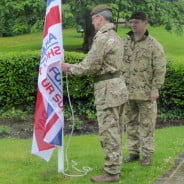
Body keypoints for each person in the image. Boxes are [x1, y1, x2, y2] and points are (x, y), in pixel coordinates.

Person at [62, 4, 128, 183]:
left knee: (109, 132)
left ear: (99, 18)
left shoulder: (103, 38)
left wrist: (69, 68)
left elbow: (90, 65)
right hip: (117, 88)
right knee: (115, 130)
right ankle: (113, 165)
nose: (92, 23)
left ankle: (112, 173)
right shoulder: (114, 36)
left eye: (93, 19)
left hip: (108, 90)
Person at [122, 11, 166, 166]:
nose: (134, 25)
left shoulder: (154, 45)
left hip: (146, 93)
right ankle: (133, 152)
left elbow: (160, 69)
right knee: (131, 124)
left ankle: (147, 154)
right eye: (132, 22)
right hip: (127, 92)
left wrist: (155, 89)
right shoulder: (125, 42)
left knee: (147, 125)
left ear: (145, 23)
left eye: (137, 22)